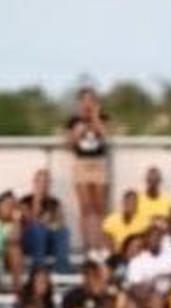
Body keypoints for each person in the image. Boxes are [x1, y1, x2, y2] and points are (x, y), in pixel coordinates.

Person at [68, 87, 111, 250]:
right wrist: (78, 131)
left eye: (91, 99)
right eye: (84, 100)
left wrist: (95, 118)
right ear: (80, 102)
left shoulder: (102, 118)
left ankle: (101, 243)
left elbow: (106, 137)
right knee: (85, 207)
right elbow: (69, 145)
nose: (88, 103)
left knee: (100, 206)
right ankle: (87, 245)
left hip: (98, 162)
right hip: (81, 163)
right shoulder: (74, 121)